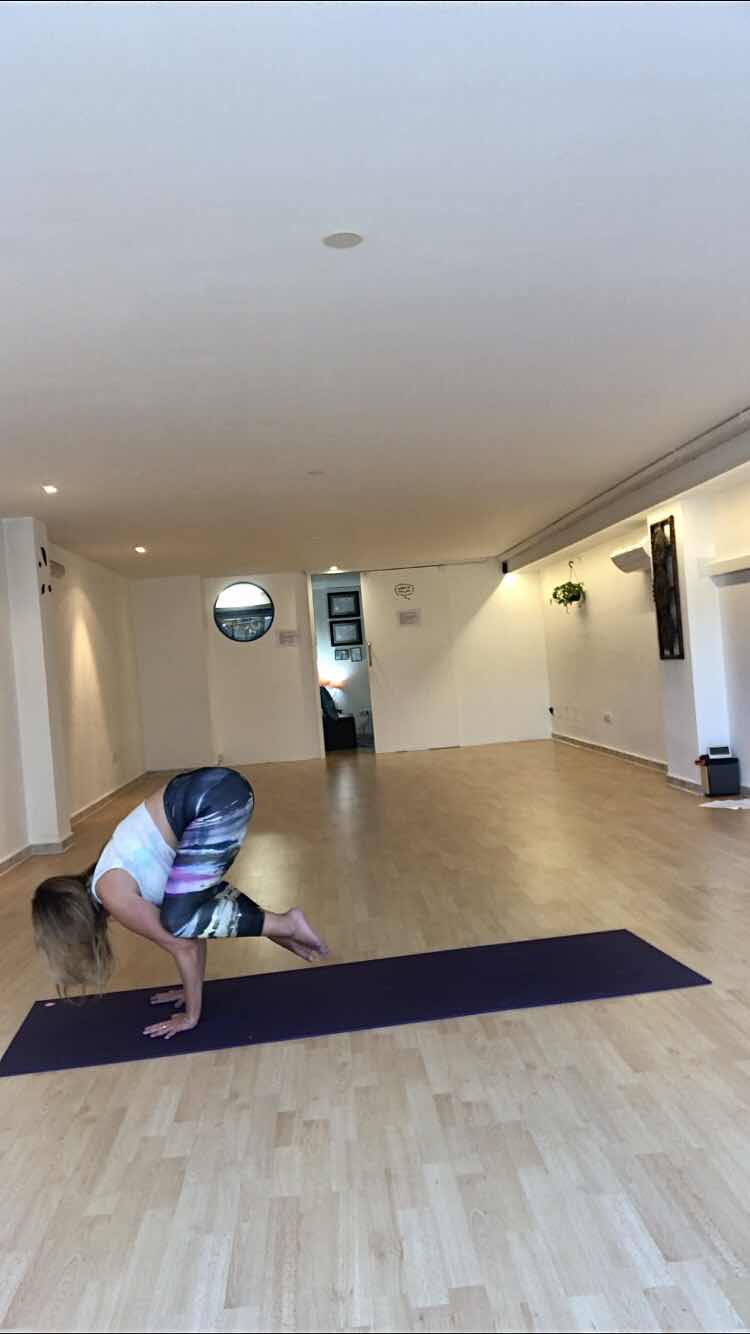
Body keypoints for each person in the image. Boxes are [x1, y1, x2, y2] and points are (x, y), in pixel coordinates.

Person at [31, 767, 328, 1039]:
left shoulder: (112, 893)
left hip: (212, 799)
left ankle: (288, 923)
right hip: (217, 790)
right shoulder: (109, 877)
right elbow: (194, 932)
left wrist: (190, 1016)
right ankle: (284, 926)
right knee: (183, 918)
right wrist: (191, 989)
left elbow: (183, 944)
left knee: (178, 922)